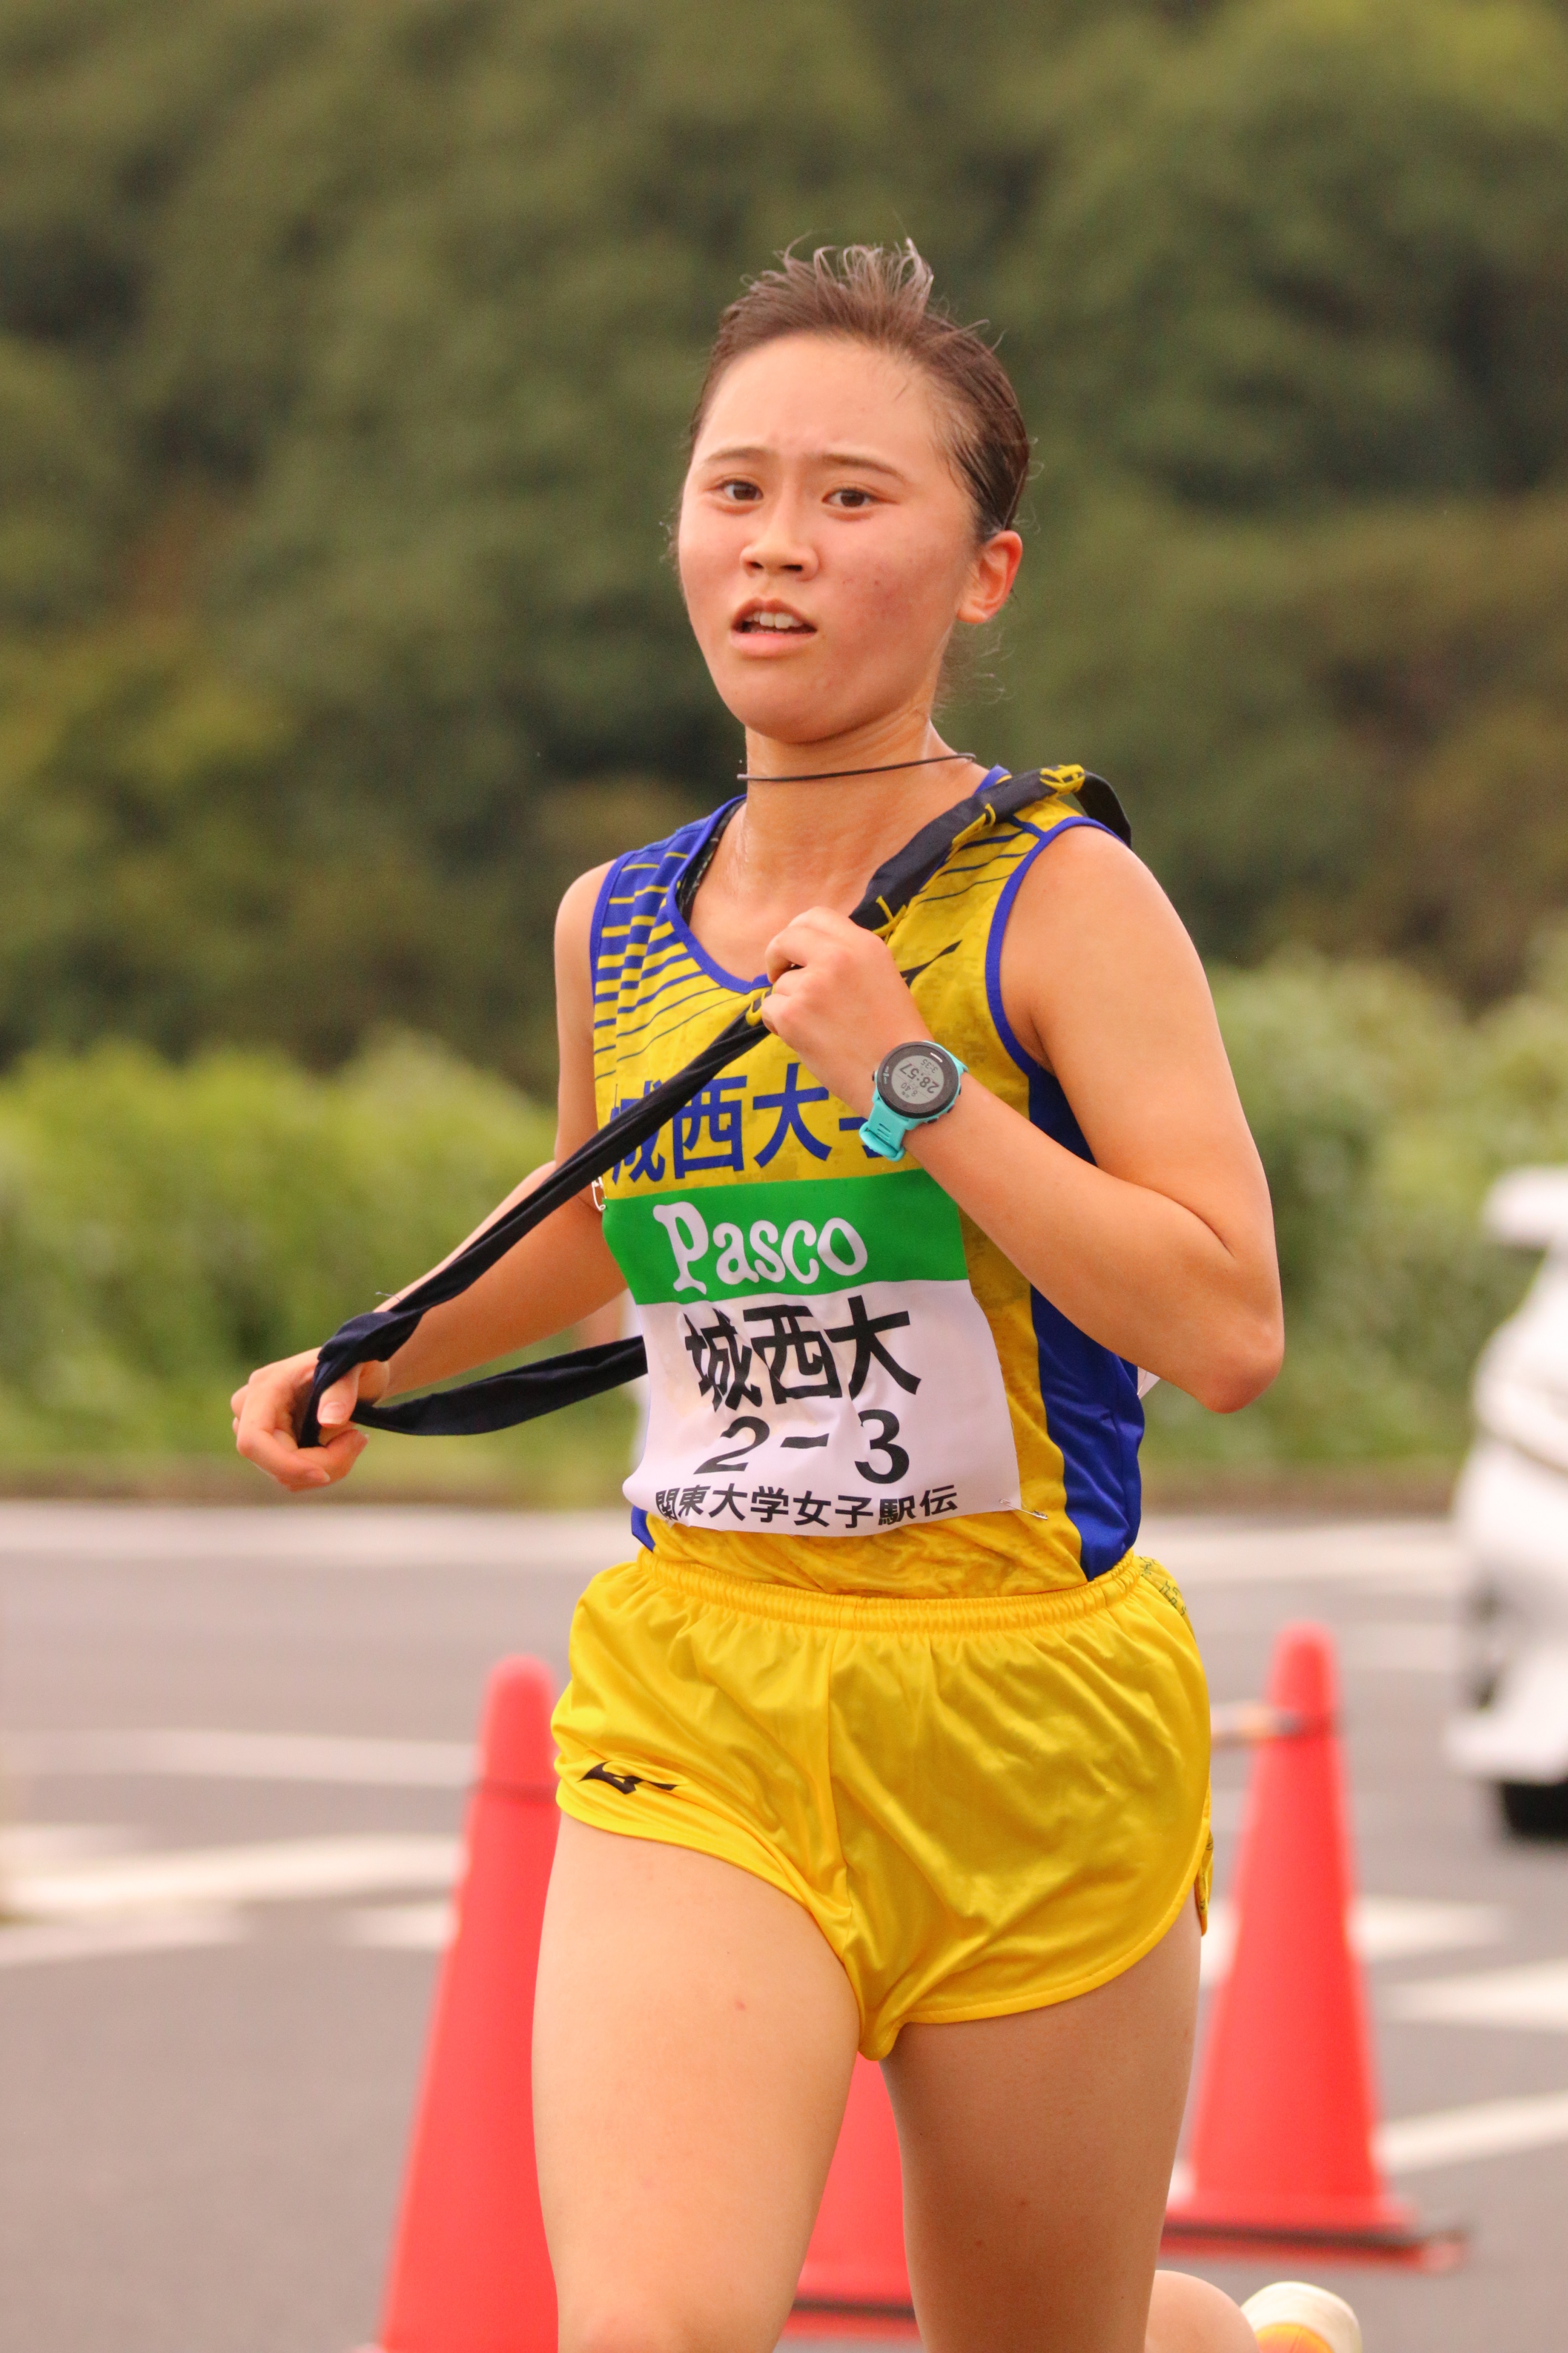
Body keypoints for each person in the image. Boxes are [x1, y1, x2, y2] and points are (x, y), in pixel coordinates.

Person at [234, 246, 1362, 2353]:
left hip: (1031, 1706)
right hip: (708, 1687)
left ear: (982, 571)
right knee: (651, 2324)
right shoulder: (620, 918)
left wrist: (911, 1083)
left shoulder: (1061, 894)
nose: (775, 542)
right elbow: (600, 1220)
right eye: (731, 487)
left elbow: (1221, 1325)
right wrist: (371, 1348)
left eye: (851, 497)